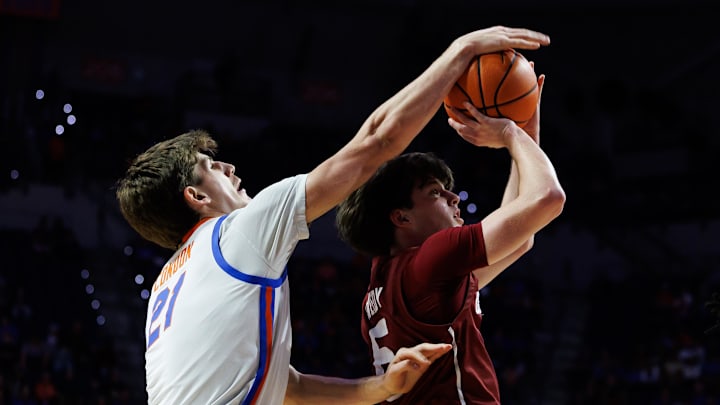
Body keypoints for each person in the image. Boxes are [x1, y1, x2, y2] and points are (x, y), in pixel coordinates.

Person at [115, 25, 551, 404]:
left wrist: (382, 389)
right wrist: (462, 51)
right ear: (195, 196)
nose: (229, 168)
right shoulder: (239, 232)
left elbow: (289, 389)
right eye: (212, 167)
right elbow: (376, 142)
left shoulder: (166, 286)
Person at [335, 70, 566, 403]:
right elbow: (548, 198)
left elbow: (522, 237)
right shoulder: (432, 260)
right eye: (435, 193)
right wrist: (510, 133)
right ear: (402, 216)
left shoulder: (388, 280)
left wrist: (525, 131)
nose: (453, 198)